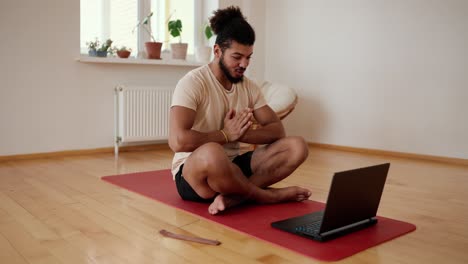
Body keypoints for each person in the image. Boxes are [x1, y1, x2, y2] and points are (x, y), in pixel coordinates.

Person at [169, 6, 311, 215]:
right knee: (213, 152)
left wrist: (243, 133)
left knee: (297, 146)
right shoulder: (192, 83)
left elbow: (276, 131)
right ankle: (267, 196)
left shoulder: (249, 86)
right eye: (237, 57)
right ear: (217, 51)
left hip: (234, 165)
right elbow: (177, 141)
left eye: (248, 57)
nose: (244, 64)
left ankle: (234, 197)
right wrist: (226, 135)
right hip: (195, 173)